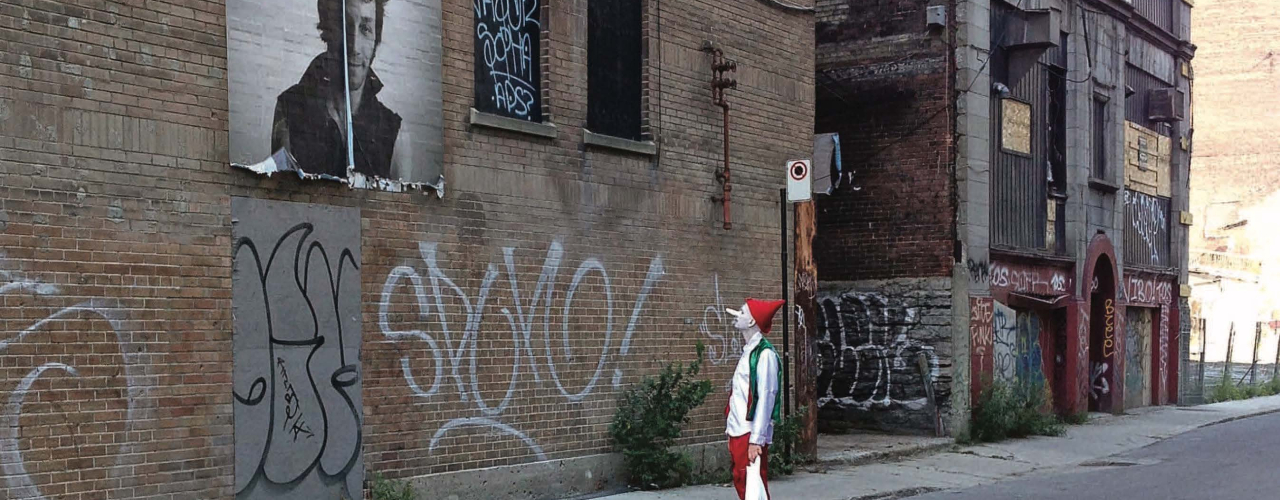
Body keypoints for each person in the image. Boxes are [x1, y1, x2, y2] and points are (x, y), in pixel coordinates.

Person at [270, 0, 410, 179]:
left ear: (376, 40)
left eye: (365, 29)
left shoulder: (396, 134)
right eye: (344, 27)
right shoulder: (289, 110)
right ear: (327, 32)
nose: (354, 47)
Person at [724, 298, 785, 500]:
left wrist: (756, 439)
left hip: (749, 431)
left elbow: (766, 397)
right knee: (743, 482)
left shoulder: (764, 354)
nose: (737, 315)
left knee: (752, 484)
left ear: (751, 322)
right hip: (739, 429)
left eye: (742, 312)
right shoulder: (749, 352)